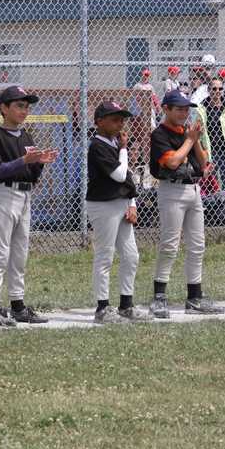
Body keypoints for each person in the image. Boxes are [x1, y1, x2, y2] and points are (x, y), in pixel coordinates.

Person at [0, 85, 58, 326]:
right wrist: (23, 160)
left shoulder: (26, 136)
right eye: (18, 105)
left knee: (20, 252)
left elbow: (32, 175)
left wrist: (40, 162)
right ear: (4, 108)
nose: (24, 110)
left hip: (25, 195)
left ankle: (17, 305)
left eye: (26, 107)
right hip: (6, 193)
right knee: (0, 250)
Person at [148, 89, 223, 318]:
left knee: (197, 245)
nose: (183, 113)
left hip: (193, 190)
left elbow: (203, 163)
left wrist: (195, 139)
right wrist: (189, 140)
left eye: (186, 109)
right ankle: (159, 296)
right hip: (172, 191)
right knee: (170, 245)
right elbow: (172, 162)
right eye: (179, 109)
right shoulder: (160, 134)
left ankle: (194, 297)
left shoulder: (187, 133)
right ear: (166, 109)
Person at [86, 101, 153, 324]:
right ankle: (102, 308)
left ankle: (126, 305)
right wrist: (124, 149)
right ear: (99, 122)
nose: (120, 123)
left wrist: (132, 203)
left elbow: (127, 179)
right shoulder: (98, 146)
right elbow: (119, 175)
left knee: (131, 256)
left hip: (121, 203)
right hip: (103, 205)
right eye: (114, 119)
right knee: (105, 256)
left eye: (122, 119)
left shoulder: (114, 144)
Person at [196, 76, 225, 191]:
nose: (218, 91)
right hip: (210, 150)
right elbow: (197, 128)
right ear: (209, 90)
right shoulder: (202, 108)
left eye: (220, 89)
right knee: (211, 182)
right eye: (214, 89)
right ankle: (213, 201)